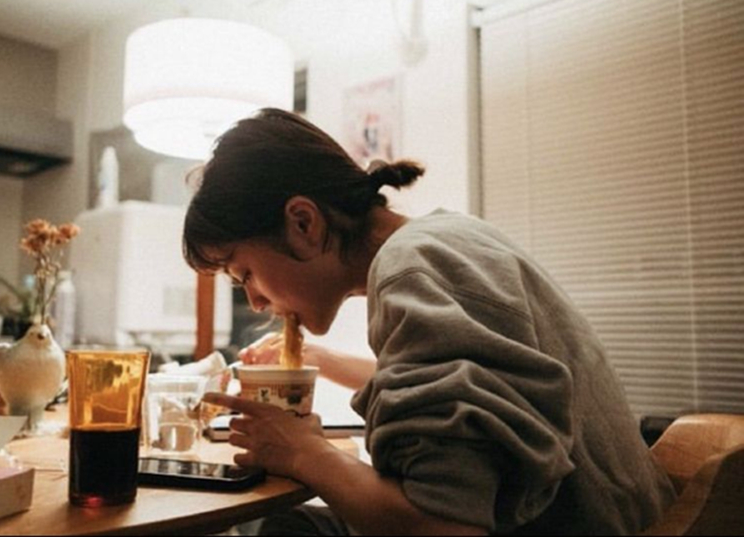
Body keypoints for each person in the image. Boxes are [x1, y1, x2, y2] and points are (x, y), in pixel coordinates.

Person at [183, 108, 676, 535]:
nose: (256, 302)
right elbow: (469, 389)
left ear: (303, 223)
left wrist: (302, 453)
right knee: (295, 524)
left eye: (245, 274)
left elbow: (444, 525)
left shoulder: (411, 270)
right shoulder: (446, 238)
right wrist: (321, 364)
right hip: (619, 516)